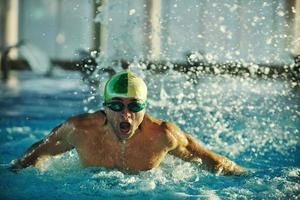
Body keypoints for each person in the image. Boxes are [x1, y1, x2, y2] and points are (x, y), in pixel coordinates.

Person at [10, 70, 247, 175]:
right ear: (104, 106)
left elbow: (209, 160)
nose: (126, 115)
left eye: (134, 106)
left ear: (145, 108)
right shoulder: (79, 130)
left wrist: (249, 177)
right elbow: (35, 155)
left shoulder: (163, 135)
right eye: (116, 106)